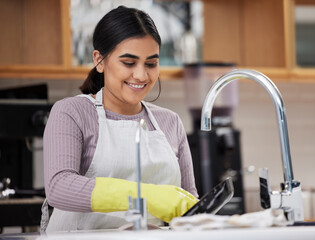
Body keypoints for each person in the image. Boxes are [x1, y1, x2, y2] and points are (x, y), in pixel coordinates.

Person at [41, 5, 198, 232]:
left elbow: (189, 204)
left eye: (151, 63)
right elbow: (59, 187)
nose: (141, 75)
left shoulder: (170, 122)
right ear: (100, 60)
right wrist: (144, 196)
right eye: (128, 62)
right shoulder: (71, 113)